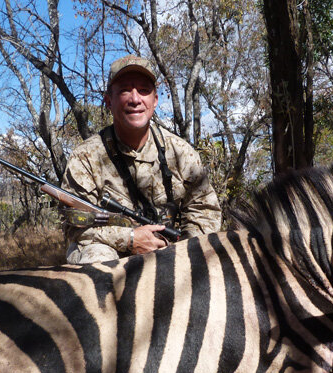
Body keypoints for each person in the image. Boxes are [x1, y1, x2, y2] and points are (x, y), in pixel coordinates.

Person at [61, 55, 222, 264]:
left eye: (144, 90)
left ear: (155, 100)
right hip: (111, 254)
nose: (135, 99)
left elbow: (205, 212)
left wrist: (179, 250)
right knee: (96, 256)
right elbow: (75, 226)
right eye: (125, 90)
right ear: (109, 101)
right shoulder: (85, 157)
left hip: (170, 253)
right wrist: (129, 240)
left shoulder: (181, 152)